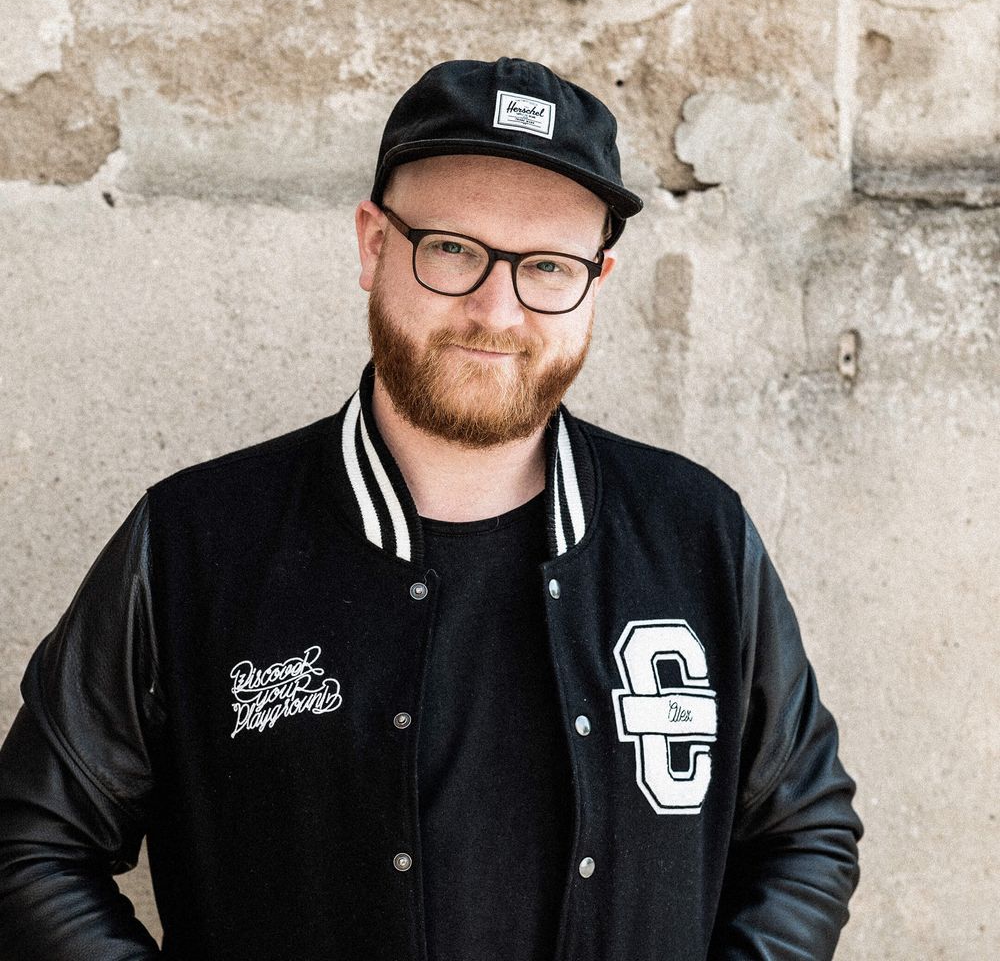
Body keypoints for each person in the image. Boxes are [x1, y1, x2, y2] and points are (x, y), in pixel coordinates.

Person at [0, 57, 862, 961]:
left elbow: (805, 832)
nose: (497, 310)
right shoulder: (193, 544)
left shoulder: (697, 535)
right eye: (451, 248)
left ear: (597, 282)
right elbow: (32, 843)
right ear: (374, 245)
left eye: (548, 265)